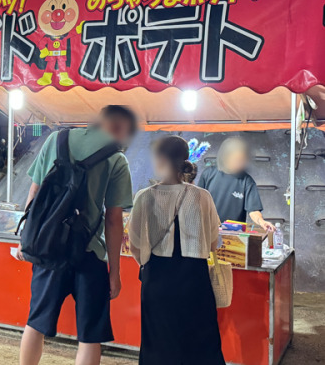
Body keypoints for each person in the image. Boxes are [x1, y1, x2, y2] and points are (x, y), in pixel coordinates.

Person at [18, 105, 137, 365]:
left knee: (35, 322)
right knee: (89, 335)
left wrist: (26, 240)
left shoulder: (55, 140)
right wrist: (114, 272)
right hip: (89, 252)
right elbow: (114, 220)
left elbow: (34, 195)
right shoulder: (116, 159)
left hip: (49, 246)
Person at [129, 135, 225, 365]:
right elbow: (214, 242)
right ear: (185, 158)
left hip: (157, 281)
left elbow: (134, 244)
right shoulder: (202, 197)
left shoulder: (144, 197)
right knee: (201, 343)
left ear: (160, 159)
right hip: (195, 279)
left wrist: (146, 262)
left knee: (158, 344)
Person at [199, 137, 274, 232]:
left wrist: (262, 222)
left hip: (234, 236)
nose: (240, 164)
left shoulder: (247, 181)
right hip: (208, 232)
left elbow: (253, 210)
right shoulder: (208, 174)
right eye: (237, 160)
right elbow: (197, 203)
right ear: (225, 157)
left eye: (242, 160)